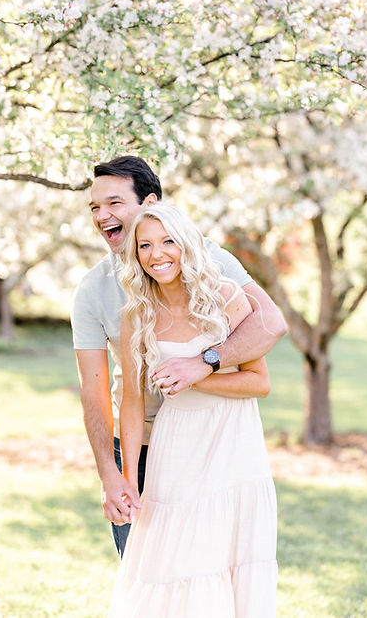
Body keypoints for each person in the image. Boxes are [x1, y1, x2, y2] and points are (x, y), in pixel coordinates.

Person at [72, 156, 287, 556]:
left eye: (114, 203)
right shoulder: (94, 291)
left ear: (149, 204)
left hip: (212, 441)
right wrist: (112, 475)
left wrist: (203, 364)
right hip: (139, 445)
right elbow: (96, 392)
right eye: (95, 207)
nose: (103, 216)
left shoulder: (209, 261)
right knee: (146, 574)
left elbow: (270, 324)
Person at [109, 203, 276, 615]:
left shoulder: (225, 296)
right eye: (145, 245)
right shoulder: (136, 314)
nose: (157, 253)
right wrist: (130, 479)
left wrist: (197, 373)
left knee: (226, 561)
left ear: (186, 245)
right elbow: (131, 402)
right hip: (177, 443)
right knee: (172, 561)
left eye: (168, 241)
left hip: (233, 442)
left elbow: (260, 382)